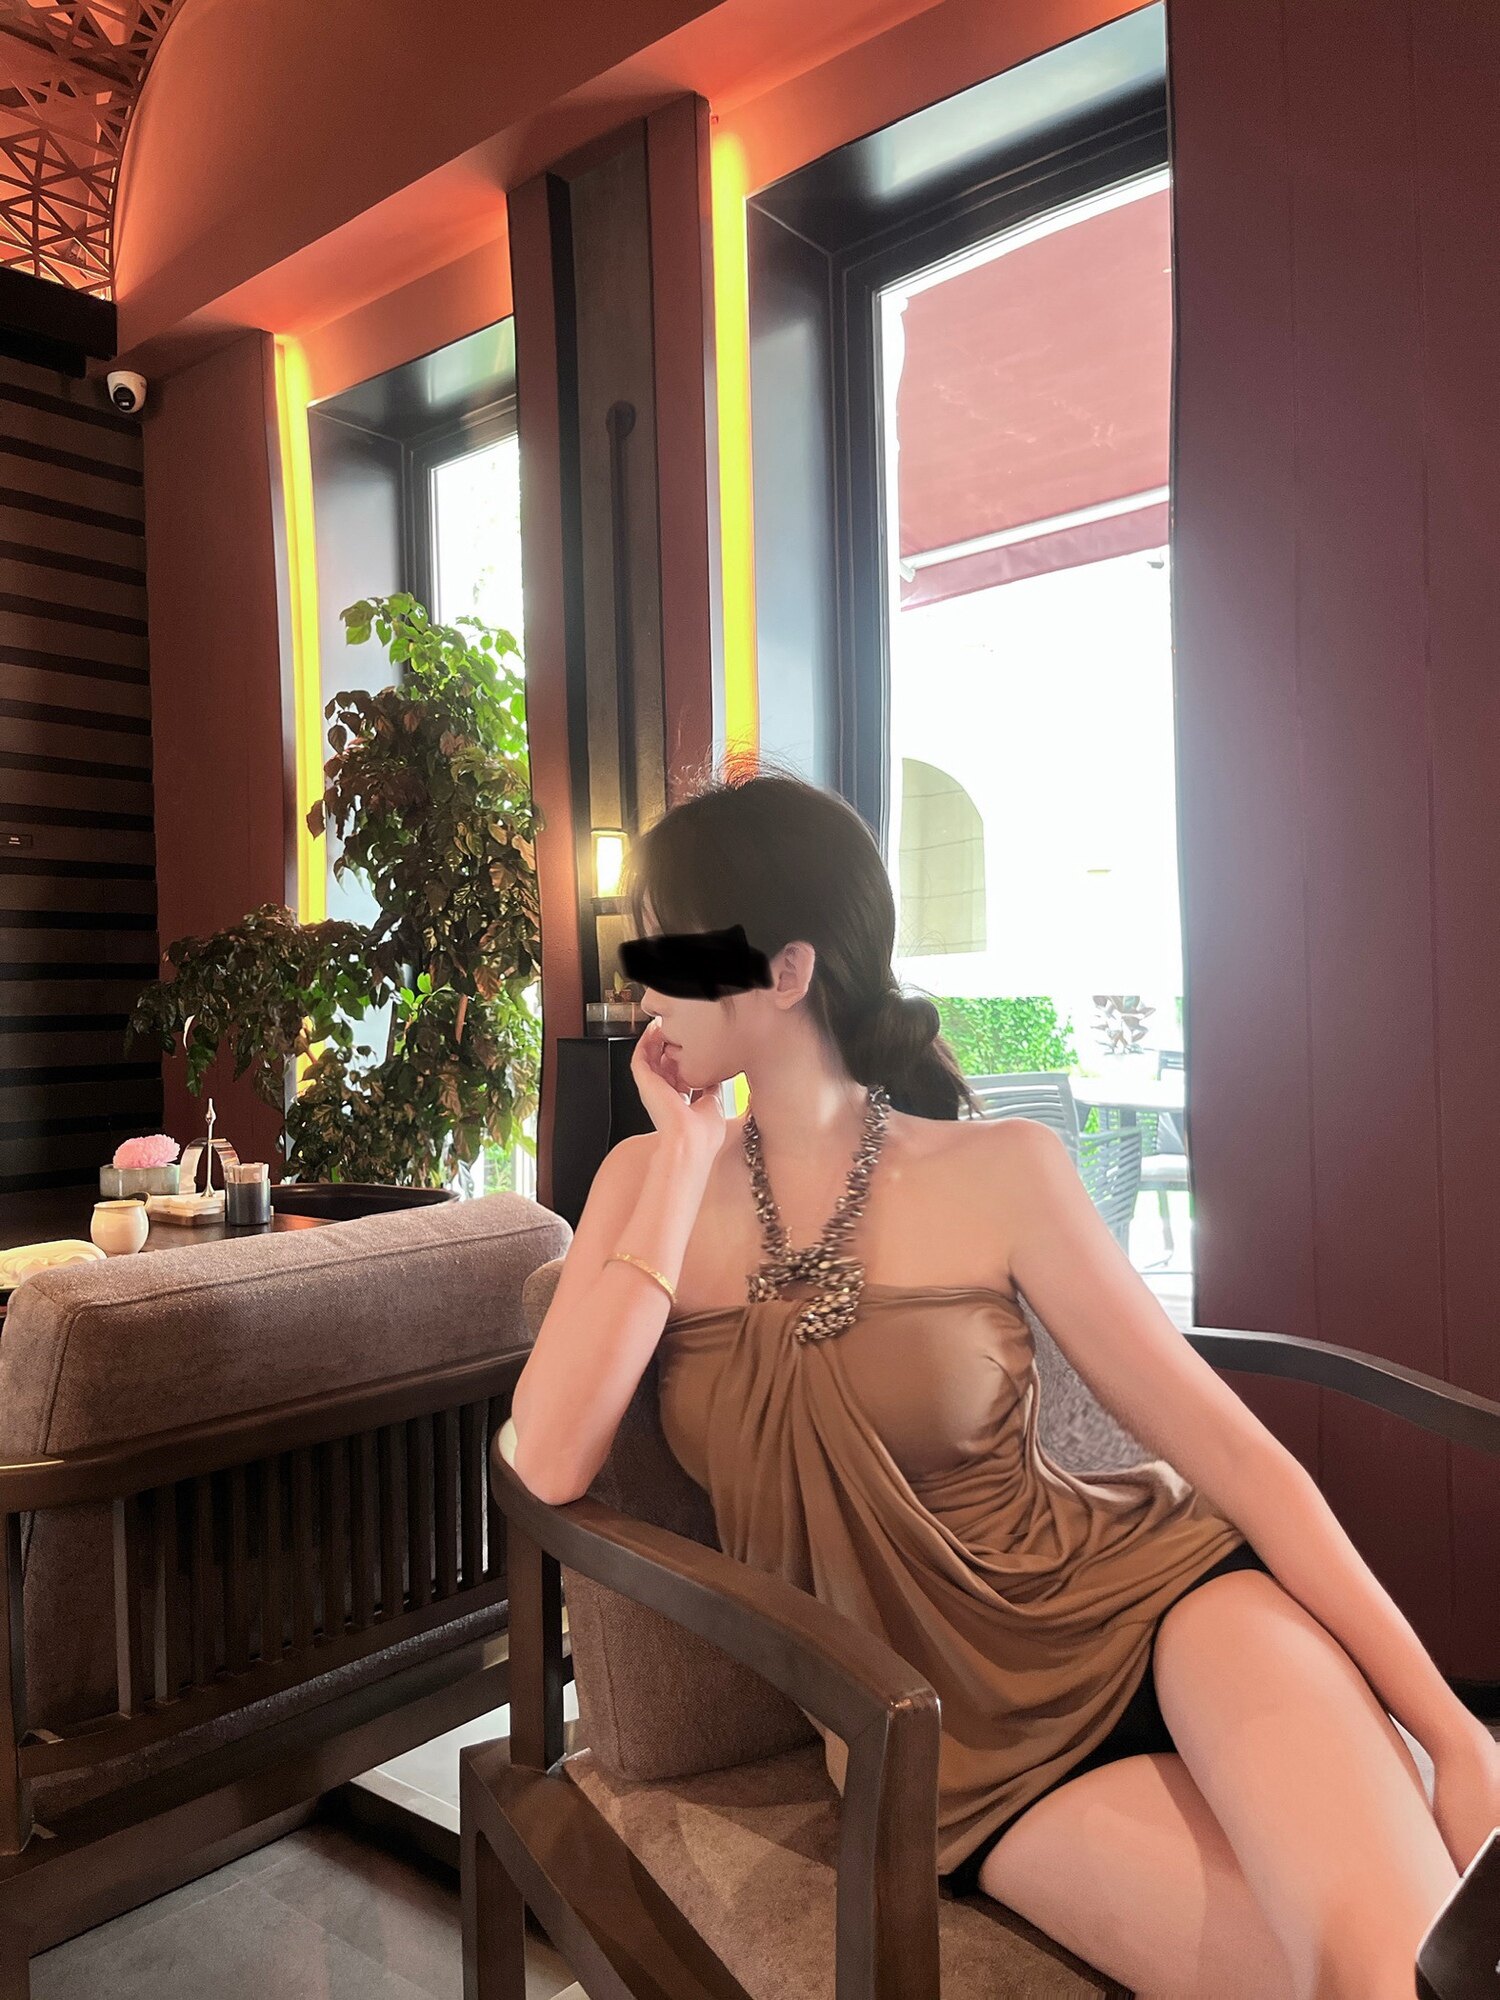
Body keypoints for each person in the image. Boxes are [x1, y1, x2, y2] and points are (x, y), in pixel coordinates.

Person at [505, 761, 1496, 2000]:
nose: (641, 985)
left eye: (667, 949)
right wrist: (682, 1157)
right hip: (955, 1752)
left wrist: (1455, 1731)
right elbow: (550, 1458)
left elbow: (1237, 1456)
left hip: (1164, 1605)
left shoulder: (1005, 1170)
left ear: (787, 970)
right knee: (1362, 1979)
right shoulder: (642, 1184)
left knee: (1401, 1954)